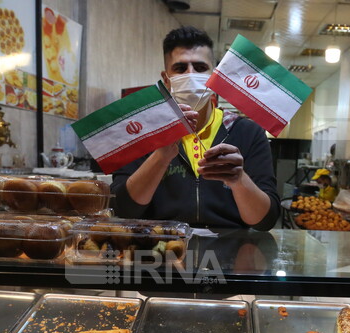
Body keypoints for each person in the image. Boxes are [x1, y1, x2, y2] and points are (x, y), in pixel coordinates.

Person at [111, 26, 280, 230]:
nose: (190, 75)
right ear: (166, 79)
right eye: (180, 68)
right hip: (159, 248)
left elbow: (266, 220)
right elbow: (122, 210)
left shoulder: (248, 132)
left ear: (215, 76)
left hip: (230, 251)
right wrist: (161, 156)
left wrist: (239, 180)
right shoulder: (140, 131)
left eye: (200, 68)